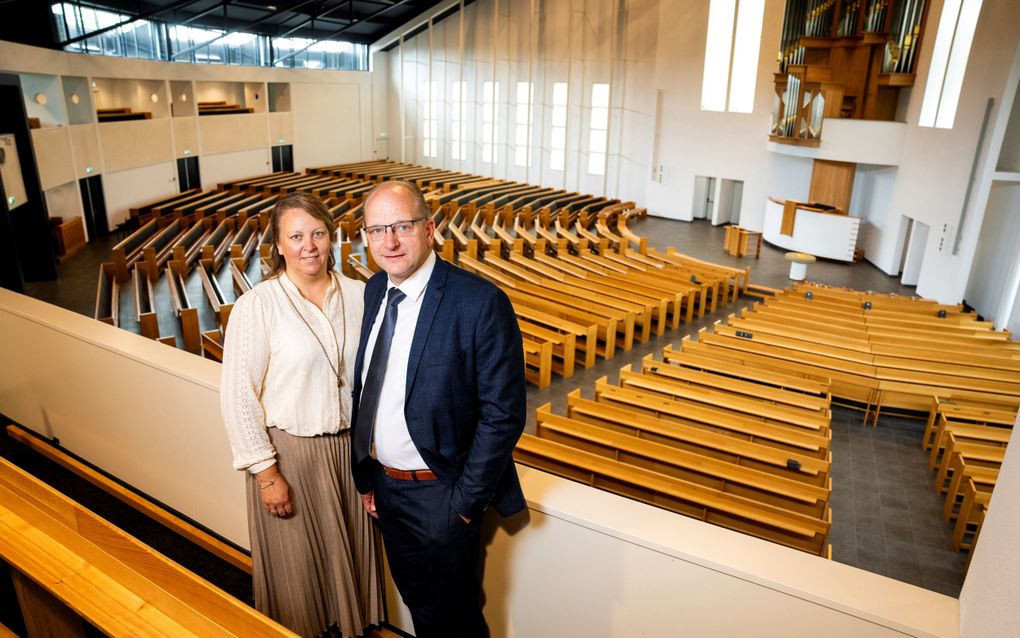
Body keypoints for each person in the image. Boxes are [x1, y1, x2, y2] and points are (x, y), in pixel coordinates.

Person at [351, 180, 527, 638]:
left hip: (441, 496)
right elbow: (372, 387)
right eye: (376, 230)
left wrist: (463, 505)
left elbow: (503, 413)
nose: (388, 241)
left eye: (401, 226)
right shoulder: (375, 290)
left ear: (430, 229)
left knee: (457, 622)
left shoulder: (479, 302)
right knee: (419, 606)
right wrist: (370, 475)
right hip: (387, 492)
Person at [220, 192, 383, 638]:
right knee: (299, 577)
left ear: (332, 237)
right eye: (295, 236)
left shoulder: (361, 294)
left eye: (317, 233)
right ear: (277, 245)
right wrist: (267, 475)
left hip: (351, 453)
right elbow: (238, 396)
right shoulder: (259, 306)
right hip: (289, 455)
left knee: (346, 565)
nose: (308, 245)